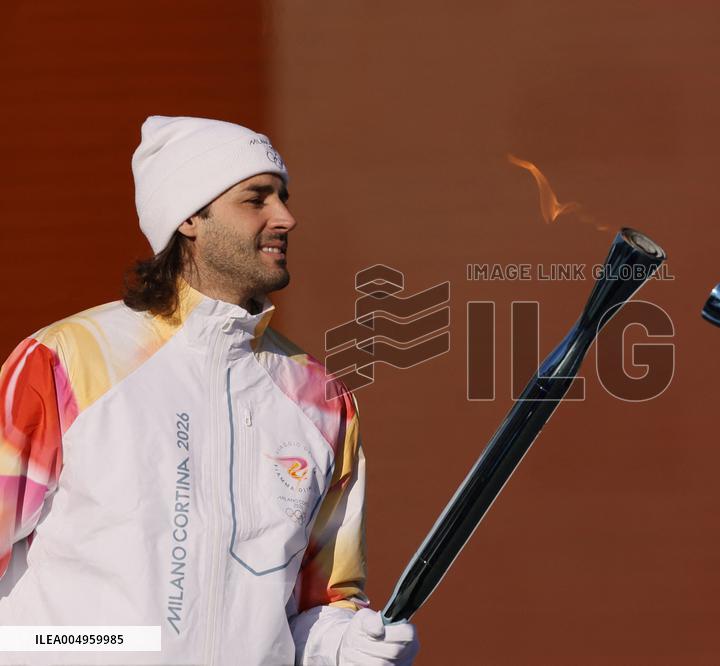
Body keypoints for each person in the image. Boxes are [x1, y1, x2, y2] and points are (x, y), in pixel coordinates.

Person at [0, 116, 419, 665]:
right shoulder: (66, 361)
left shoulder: (321, 400)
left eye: (283, 197)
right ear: (191, 217)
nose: (285, 217)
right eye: (256, 199)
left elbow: (321, 603)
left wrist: (345, 647)